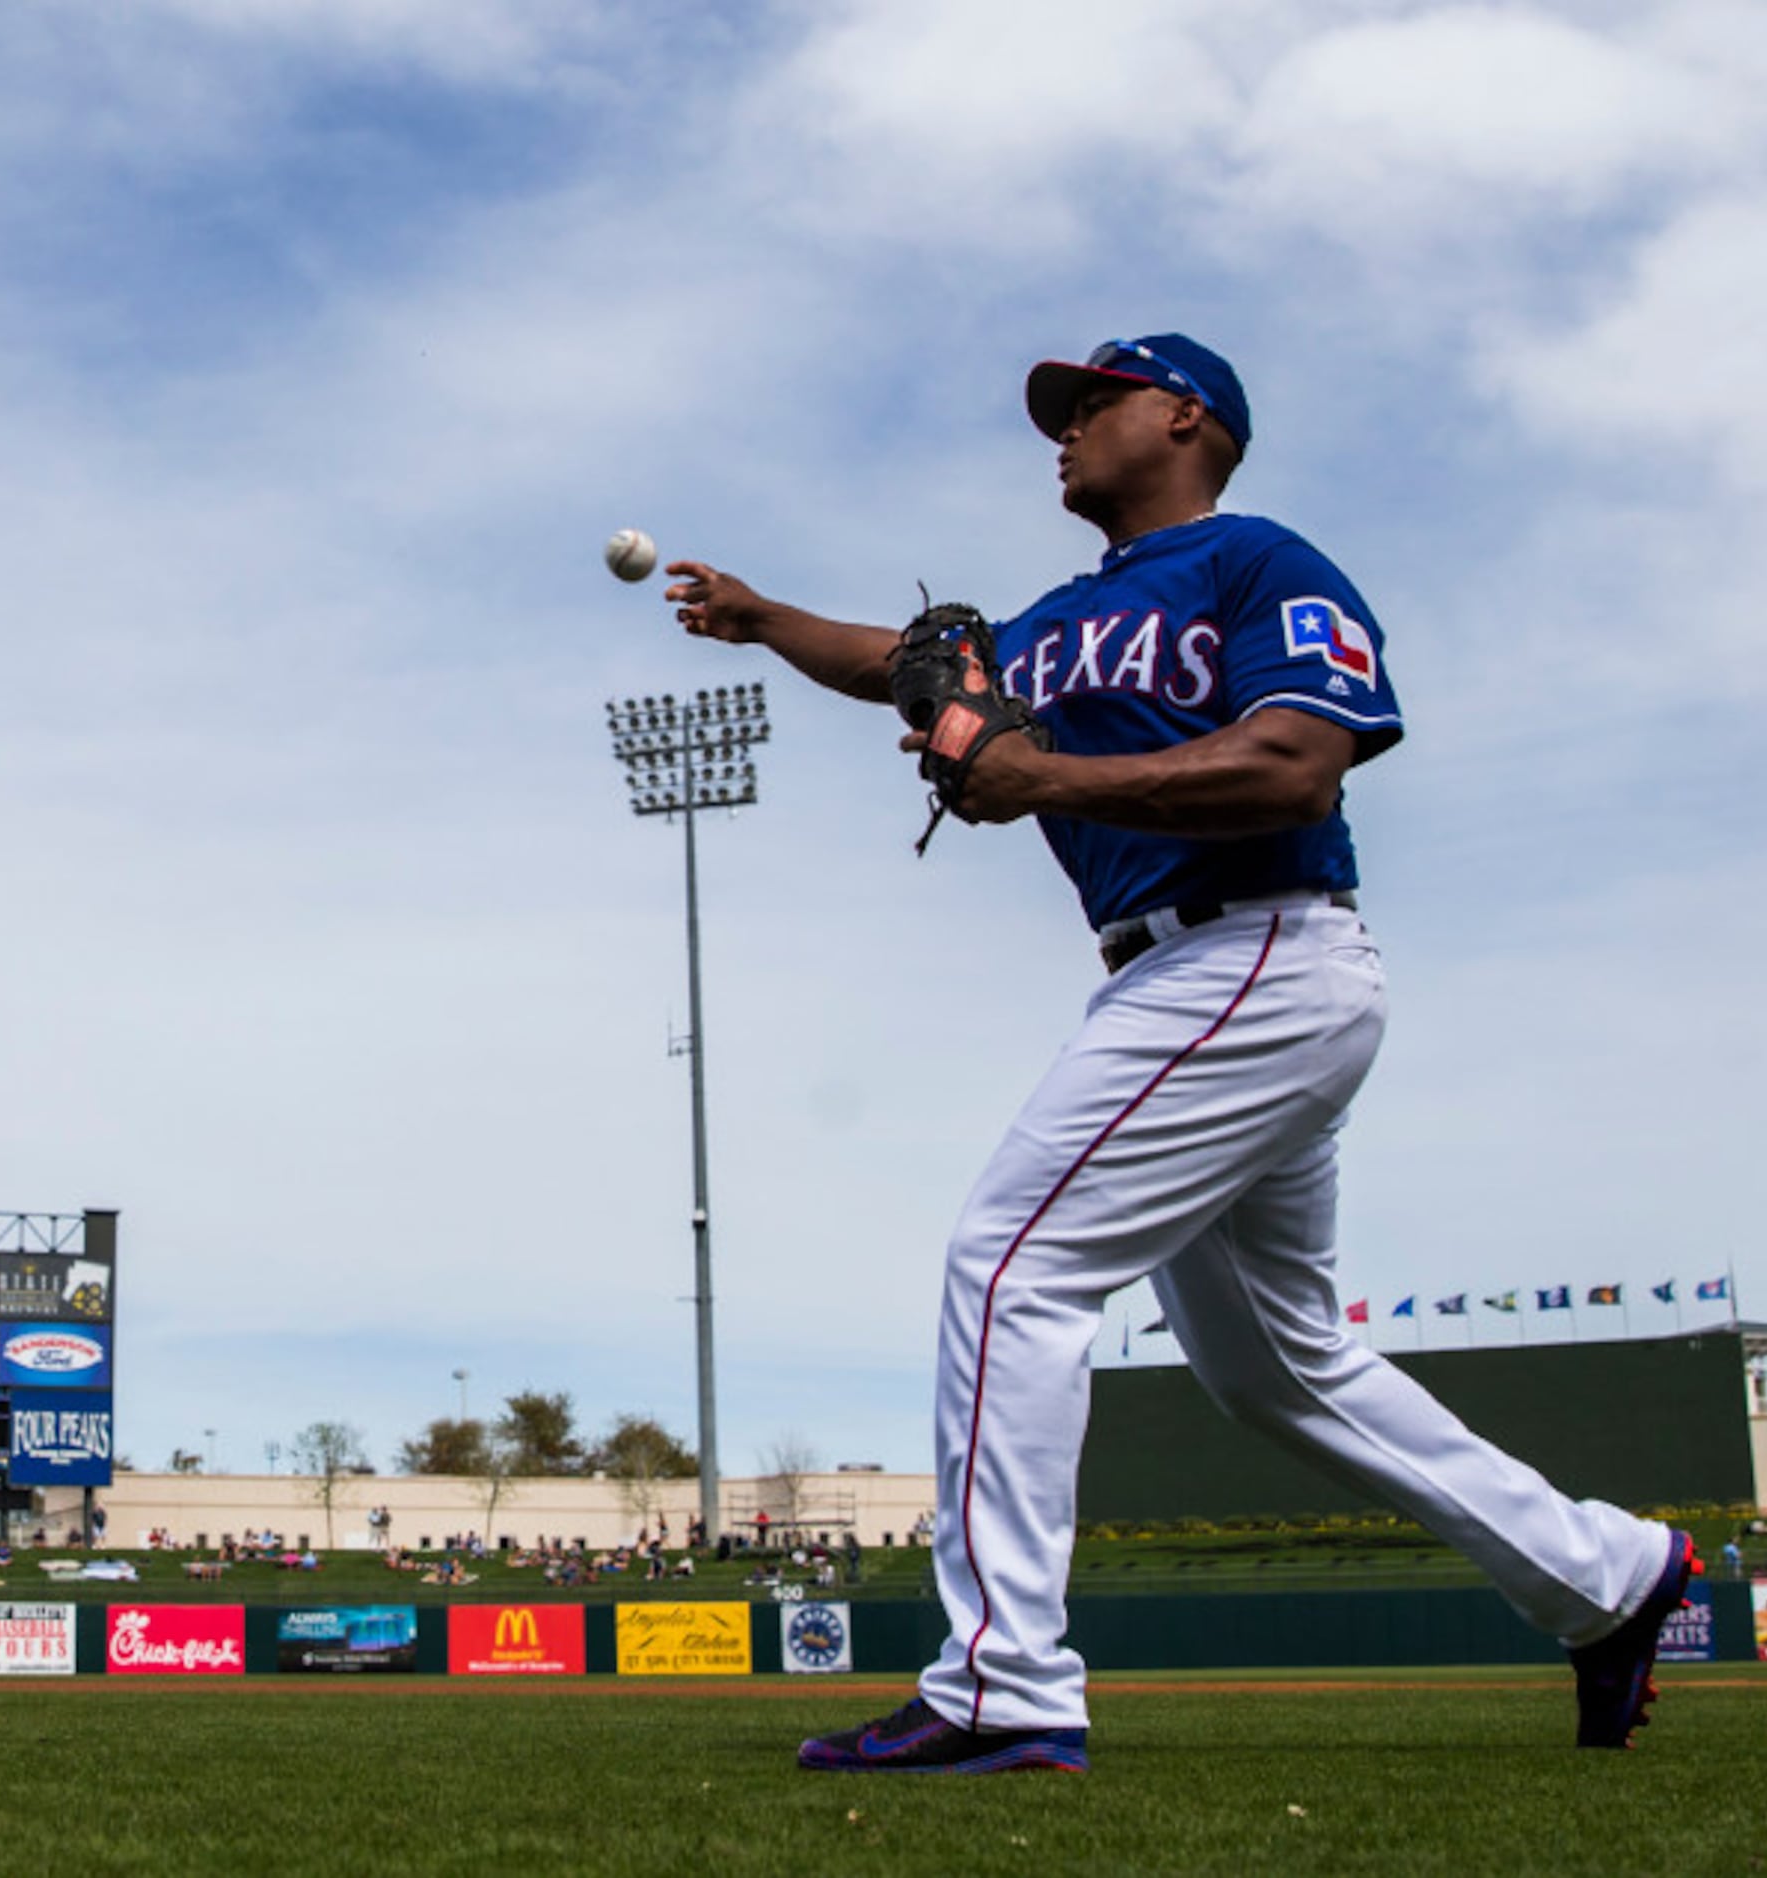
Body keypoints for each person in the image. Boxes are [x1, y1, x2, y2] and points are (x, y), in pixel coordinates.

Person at [664, 333, 1692, 1777]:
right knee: (1279, 1366)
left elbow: (1292, 761)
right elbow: (910, 667)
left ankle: (1001, 1681)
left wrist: (1040, 776)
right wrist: (772, 620)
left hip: (1255, 949)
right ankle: (1609, 1573)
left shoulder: (1260, 562)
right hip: (1184, 976)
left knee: (1011, 1262)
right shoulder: (1057, 616)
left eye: (1093, 402)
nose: (1064, 429)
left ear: (1185, 416)